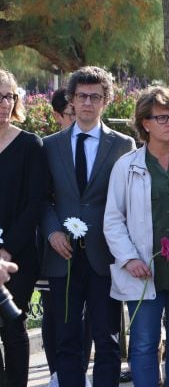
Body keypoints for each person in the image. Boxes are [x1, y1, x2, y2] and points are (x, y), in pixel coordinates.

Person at [41, 66, 137, 387]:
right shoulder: (50, 145)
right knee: (66, 339)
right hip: (62, 255)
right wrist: (53, 230)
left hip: (105, 254)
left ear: (105, 100)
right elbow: (42, 199)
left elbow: (130, 201)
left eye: (95, 97)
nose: (87, 103)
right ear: (71, 100)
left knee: (107, 339)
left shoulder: (123, 145)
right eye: (81, 96)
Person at [103, 86, 169, 387]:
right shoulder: (127, 166)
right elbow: (112, 219)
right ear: (145, 123)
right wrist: (129, 257)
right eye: (162, 117)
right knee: (144, 343)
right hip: (144, 269)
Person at [0, 68, 47, 386]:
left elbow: (36, 203)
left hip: (17, 257)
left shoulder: (31, 145)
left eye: (9, 96)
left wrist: (5, 250)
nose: (4, 102)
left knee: (13, 329)